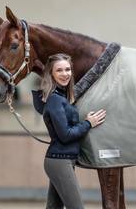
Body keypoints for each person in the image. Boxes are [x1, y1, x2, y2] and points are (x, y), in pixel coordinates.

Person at [32, 53, 106, 209]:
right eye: (59, 70)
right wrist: (88, 123)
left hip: (63, 159)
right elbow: (65, 135)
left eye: (67, 69)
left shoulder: (62, 98)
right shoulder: (55, 100)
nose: (65, 74)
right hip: (59, 161)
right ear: (51, 74)